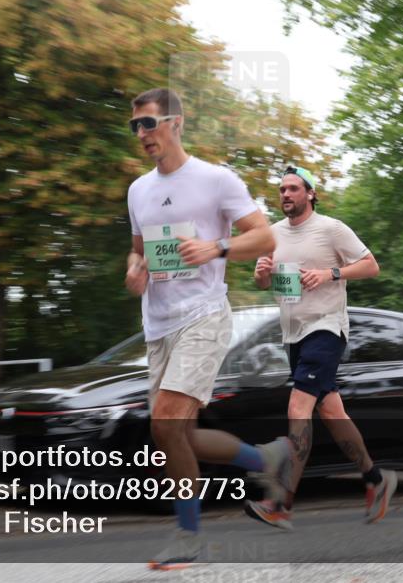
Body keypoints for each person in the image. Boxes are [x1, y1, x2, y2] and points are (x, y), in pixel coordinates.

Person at [125, 88, 291, 570]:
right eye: (135, 127)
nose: (142, 134)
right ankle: (269, 460)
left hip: (204, 314)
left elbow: (265, 235)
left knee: (167, 422)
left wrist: (216, 248)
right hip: (157, 323)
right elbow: (137, 247)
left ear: (176, 122)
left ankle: (187, 536)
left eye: (149, 123)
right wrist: (135, 269)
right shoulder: (139, 190)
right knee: (175, 436)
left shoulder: (216, 179)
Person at [245, 165, 396, 530]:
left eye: (293, 188)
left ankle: (282, 503)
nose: (285, 194)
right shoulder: (273, 234)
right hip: (293, 334)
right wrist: (262, 275)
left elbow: (371, 265)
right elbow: (269, 282)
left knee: (298, 406)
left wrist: (331, 273)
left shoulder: (331, 228)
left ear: (310, 194)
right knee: (331, 413)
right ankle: (376, 479)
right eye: (281, 189)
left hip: (326, 328)